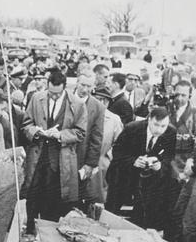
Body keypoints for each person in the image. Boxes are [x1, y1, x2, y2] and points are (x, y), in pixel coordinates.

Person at [21, 68, 87, 232]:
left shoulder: (77, 104)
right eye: (51, 93)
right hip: (38, 157)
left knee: (54, 200)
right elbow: (26, 124)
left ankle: (48, 233)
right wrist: (34, 131)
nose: (54, 96)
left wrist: (60, 135)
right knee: (33, 194)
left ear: (64, 88)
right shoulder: (36, 98)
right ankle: (30, 230)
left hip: (61, 160)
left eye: (57, 94)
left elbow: (80, 133)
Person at [106, 106, 177, 229]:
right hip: (123, 175)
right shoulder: (132, 128)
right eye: (156, 125)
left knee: (144, 212)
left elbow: (169, 156)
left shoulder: (171, 132)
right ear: (149, 119)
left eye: (163, 126)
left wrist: (160, 165)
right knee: (112, 209)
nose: (159, 130)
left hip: (148, 180)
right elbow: (117, 152)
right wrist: (133, 161)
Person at [163, 79, 196, 242]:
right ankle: (166, 239)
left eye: (184, 95)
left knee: (180, 210)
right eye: (177, 94)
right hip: (167, 164)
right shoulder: (167, 110)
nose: (180, 98)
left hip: (185, 166)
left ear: (190, 95)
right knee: (166, 207)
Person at [87, 85, 123, 203]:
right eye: (98, 99)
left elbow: (120, 143)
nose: (101, 103)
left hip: (103, 165)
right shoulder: (84, 114)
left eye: (105, 100)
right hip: (84, 161)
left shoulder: (114, 119)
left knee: (99, 198)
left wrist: (108, 157)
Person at [73, 74, 105, 206]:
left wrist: (90, 164)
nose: (85, 89)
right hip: (61, 157)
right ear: (77, 83)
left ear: (93, 87)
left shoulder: (97, 107)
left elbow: (97, 138)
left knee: (77, 197)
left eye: (89, 86)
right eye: (82, 85)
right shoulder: (66, 99)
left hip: (81, 159)